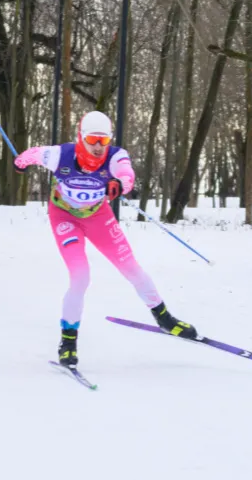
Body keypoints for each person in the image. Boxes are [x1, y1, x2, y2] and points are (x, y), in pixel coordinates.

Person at [13, 110, 198, 369]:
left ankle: (165, 318)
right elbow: (30, 154)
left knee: (131, 267)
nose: (99, 147)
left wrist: (120, 185)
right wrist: (20, 163)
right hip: (65, 217)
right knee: (80, 277)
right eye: (92, 140)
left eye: (104, 140)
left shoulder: (115, 156)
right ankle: (68, 342)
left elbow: (126, 173)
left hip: (98, 217)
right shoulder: (60, 155)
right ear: (81, 137)